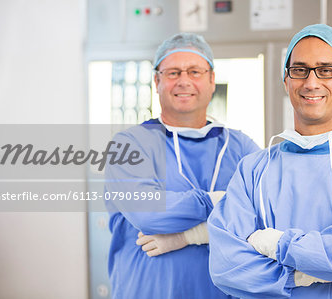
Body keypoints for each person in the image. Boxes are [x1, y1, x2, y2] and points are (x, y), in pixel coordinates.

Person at [208, 24, 332, 298]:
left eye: (325, 70)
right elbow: (226, 266)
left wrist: (277, 244)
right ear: (286, 80)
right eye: (300, 70)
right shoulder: (253, 169)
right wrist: (302, 275)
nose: (311, 82)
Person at [104, 33, 260, 299]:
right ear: (157, 81)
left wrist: (187, 235)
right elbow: (148, 213)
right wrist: (220, 202)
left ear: (212, 80)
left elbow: (262, 217)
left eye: (195, 71)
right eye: (173, 72)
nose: (184, 81)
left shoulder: (242, 148)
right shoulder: (129, 145)